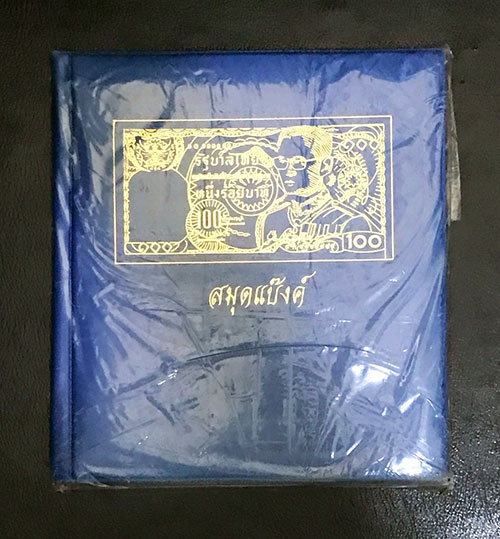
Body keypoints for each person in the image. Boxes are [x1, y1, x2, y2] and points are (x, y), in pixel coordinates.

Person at [256, 126, 373, 253]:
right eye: (282, 162)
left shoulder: (349, 221)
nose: (289, 171)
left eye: (299, 162)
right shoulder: (271, 218)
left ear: (325, 165)